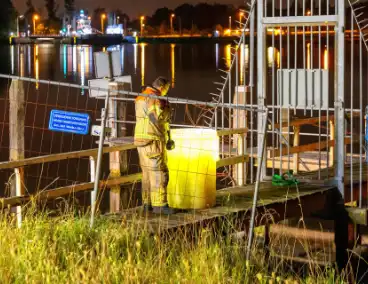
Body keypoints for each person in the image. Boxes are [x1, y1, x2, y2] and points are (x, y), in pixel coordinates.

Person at [134, 77, 176, 215]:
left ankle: (147, 204)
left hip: (140, 139)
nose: (166, 91)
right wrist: (165, 110)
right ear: (162, 86)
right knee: (159, 172)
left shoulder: (141, 96)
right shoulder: (155, 98)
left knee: (146, 173)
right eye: (167, 88)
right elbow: (155, 117)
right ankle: (160, 205)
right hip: (153, 139)